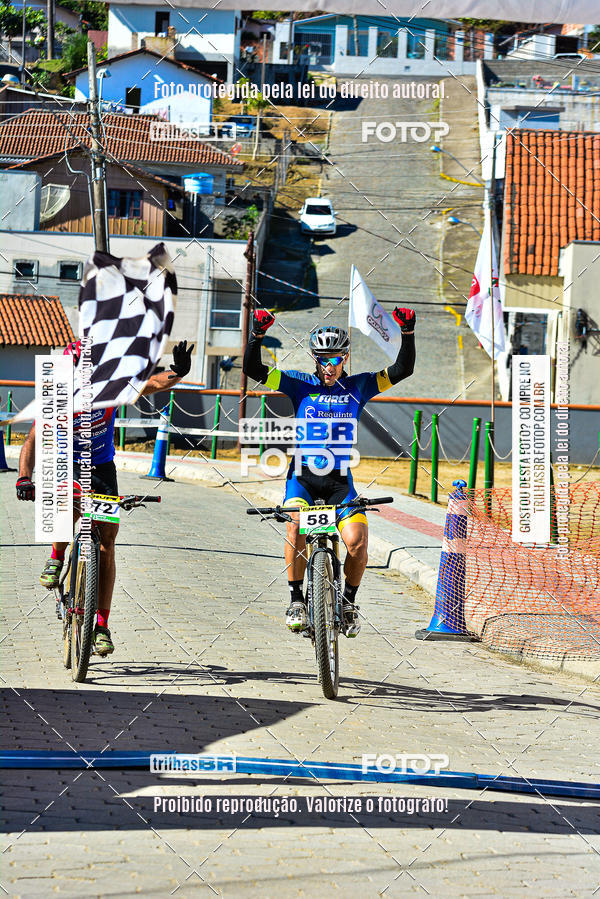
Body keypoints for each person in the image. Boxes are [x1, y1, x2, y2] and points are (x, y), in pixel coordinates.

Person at [243, 307, 415, 637]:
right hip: (303, 479)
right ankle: (296, 600)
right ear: (314, 358)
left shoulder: (360, 386)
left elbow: (402, 369)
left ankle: (348, 602)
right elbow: (254, 369)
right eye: (323, 359)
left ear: (345, 358)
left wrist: (406, 334)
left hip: (340, 483)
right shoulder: (298, 384)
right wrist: (257, 335)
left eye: (335, 359)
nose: (328, 366)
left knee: (357, 543)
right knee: (294, 526)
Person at [16, 339, 194, 656]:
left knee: (107, 544)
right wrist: (24, 476)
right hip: (64, 464)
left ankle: (101, 625)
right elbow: (31, 440)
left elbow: (151, 384)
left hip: (101, 468)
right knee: (63, 504)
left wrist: (178, 371)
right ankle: (57, 557)